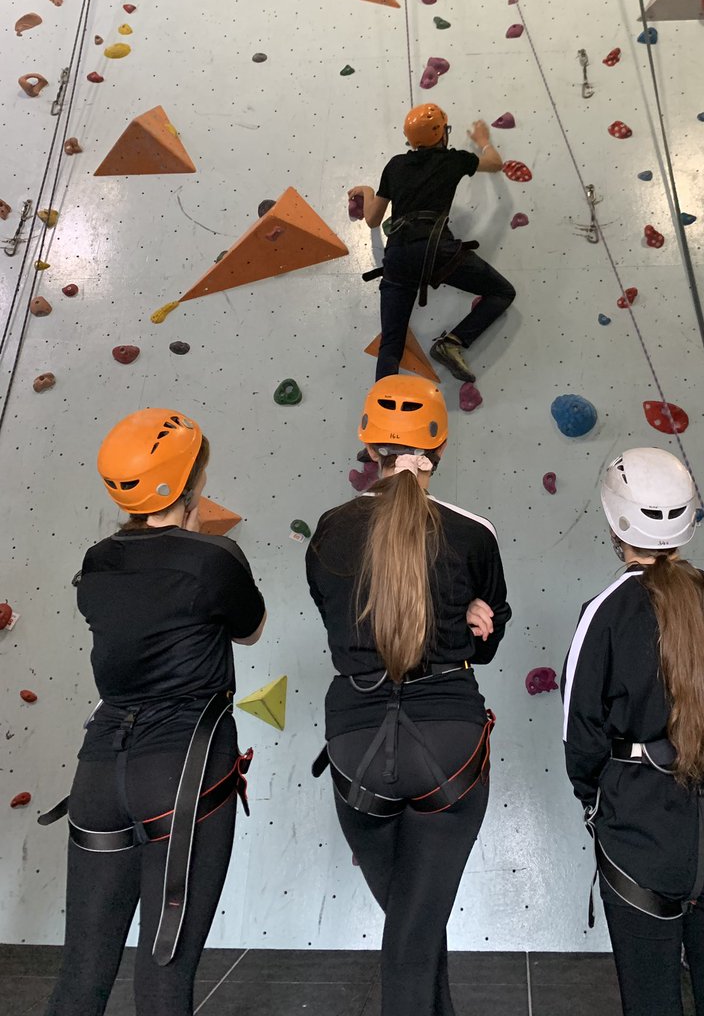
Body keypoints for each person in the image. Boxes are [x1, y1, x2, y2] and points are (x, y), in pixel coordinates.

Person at [42, 408, 266, 1016]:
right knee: (164, 980)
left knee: (81, 977)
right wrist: (201, 534)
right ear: (189, 484)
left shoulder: (98, 560)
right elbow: (249, 628)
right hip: (183, 771)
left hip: (100, 769)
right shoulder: (213, 559)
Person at [306, 374, 511, 1016]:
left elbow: (338, 625)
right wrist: (482, 624)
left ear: (370, 448)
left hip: (355, 742)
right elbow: (484, 641)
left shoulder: (329, 531)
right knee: (414, 931)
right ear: (439, 445)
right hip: (447, 742)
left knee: (411, 923)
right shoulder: (473, 534)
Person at [561, 448, 704, 1016]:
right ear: (688, 519)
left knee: (650, 1003)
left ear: (612, 518)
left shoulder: (603, 612)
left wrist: (599, 803)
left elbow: (581, 738)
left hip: (639, 834)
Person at [349, 104, 516, 384]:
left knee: (391, 343)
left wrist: (367, 191)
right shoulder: (453, 160)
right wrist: (483, 141)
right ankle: (452, 342)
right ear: (442, 134)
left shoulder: (395, 165)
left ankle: (380, 403)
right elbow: (495, 163)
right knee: (502, 292)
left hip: (398, 256)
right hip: (436, 250)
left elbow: (373, 220)